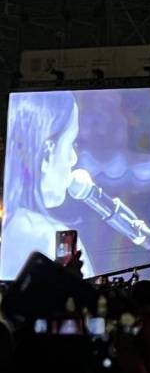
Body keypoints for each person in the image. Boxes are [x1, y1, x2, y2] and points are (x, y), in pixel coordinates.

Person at [0, 91, 94, 279]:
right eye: (71, 144)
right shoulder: (56, 239)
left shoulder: (11, 226)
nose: (73, 159)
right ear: (47, 152)